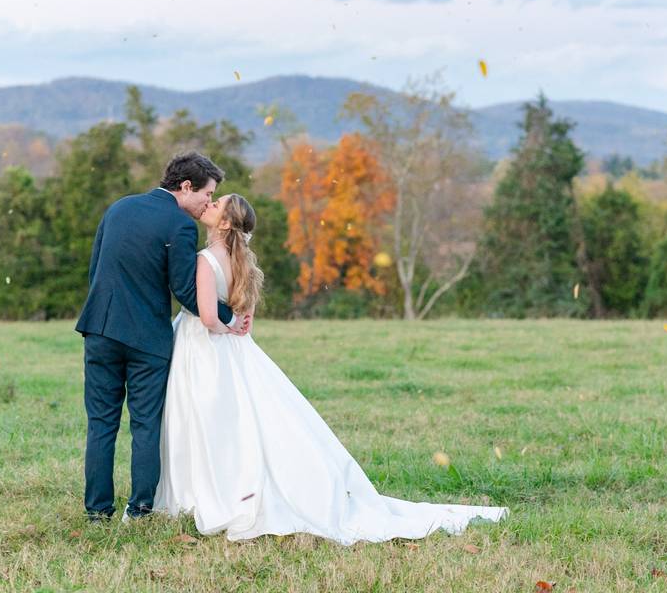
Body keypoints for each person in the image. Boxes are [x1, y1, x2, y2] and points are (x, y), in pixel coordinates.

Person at [154, 193, 507, 543]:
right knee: (237, 420)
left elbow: (210, 316)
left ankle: (200, 491)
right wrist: (236, 329)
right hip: (237, 352)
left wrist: (224, 327)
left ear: (227, 222)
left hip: (203, 349)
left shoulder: (204, 260)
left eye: (217, 204)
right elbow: (247, 317)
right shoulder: (243, 263)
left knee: (203, 419)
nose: (210, 205)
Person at [75, 152, 251, 522]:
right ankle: (139, 509)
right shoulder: (180, 226)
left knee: (101, 423)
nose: (208, 202)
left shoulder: (118, 208)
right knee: (145, 424)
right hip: (147, 341)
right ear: (186, 187)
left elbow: (96, 270)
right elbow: (187, 290)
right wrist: (230, 315)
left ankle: (97, 512)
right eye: (207, 193)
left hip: (100, 330)